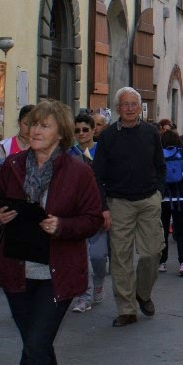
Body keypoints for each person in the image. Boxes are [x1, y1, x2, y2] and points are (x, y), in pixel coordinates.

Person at [0, 100, 104, 365]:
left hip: (57, 273)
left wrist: (62, 226)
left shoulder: (79, 172)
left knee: (36, 346)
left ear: (60, 133)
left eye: (44, 125)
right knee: (37, 346)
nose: (36, 130)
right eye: (34, 124)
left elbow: (93, 219)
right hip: (16, 269)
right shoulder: (13, 165)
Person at [93, 87, 166, 327]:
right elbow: (97, 174)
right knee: (121, 257)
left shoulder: (151, 132)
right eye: (125, 104)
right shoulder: (107, 136)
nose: (130, 108)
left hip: (148, 200)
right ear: (118, 108)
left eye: (134, 104)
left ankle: (142, 293)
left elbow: (160, 166)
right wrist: (103, 206)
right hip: (119, 203)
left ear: (140, 107)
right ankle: (126, 309)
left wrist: (159, 192)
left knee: (153, 252)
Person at [69, 113, 109, 313]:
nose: (81, 133)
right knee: (79, 257)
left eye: (85, 129)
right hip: (76, 211)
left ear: (93, 130)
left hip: (98, 209)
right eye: (77, 130)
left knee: (98, 256)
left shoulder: (103, 151)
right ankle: (83, 296)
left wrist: (106, 208)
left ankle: (99, 280)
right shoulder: (69, 154)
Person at [158, 129, 183, 276]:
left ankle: (162, 262)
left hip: (164, 198)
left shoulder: (159, 155)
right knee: (181, 231)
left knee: (163, 231)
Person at [0, 105, 35, 174]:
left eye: (33, 124)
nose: (29, 129)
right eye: (26, 124)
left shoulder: (41, 147)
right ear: (19, 122)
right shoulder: (4, 146)